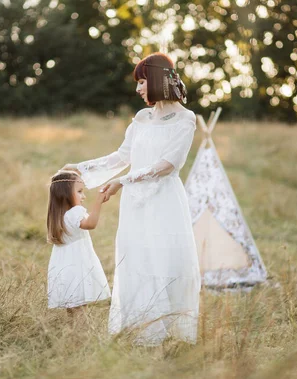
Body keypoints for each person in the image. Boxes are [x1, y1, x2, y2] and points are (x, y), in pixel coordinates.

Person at [61, 52, 201, 345]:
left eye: (141, 81)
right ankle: (141, 329)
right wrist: (80, 168)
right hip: (135, 204)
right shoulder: (142, 118)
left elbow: (168, 165)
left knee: (164, 259)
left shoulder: (186, 119)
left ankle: (167, 334)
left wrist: (122, 181)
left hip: (164, 201)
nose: (138, 89)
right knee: (137, 258)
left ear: (158, 80)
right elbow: (121, 157)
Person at [46, 171, 111, 312]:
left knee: (73, 308)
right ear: (66, 194)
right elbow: (90, 224)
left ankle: (73, 333)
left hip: (64, 266)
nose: (84, 196)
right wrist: (98, 202)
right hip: (78, 266)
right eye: (80, 191)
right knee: (80, 308)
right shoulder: (75, 212)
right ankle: (80, 333)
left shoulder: (59, 215)